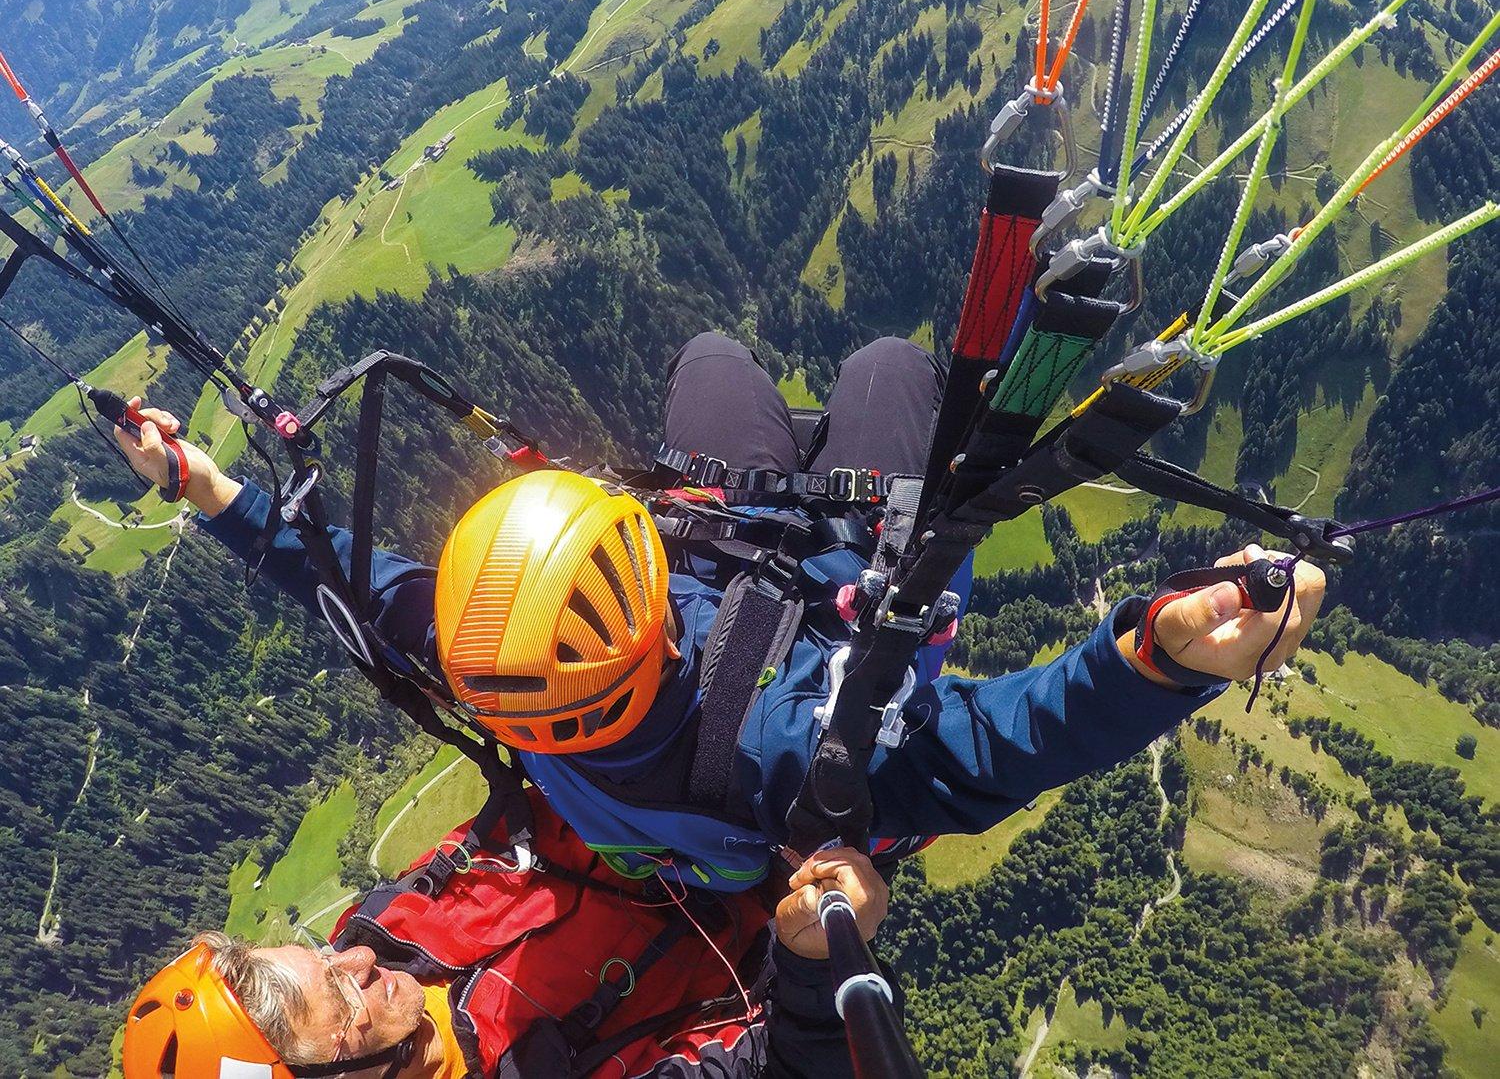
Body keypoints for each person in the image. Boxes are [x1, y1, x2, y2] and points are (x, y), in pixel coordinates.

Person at [116, 332, 1326, 891]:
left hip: (740, 559)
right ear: (652, 618)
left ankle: (799, 451)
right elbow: (996, 747)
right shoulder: (790, 757)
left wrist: (208, 489)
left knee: (710, 364)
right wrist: (1157, 660)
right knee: (890, 374)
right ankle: (874, 425)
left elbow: (351, 579)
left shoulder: (495, 658)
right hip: (849, 603)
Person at [123, 788, 891, 1079]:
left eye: (325, 952)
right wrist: (811, 959)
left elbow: (519, 816)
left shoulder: (385, 930)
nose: (358, 954)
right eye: (343, 992)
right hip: (793, 891)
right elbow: (787, 1069)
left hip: (688, 786)